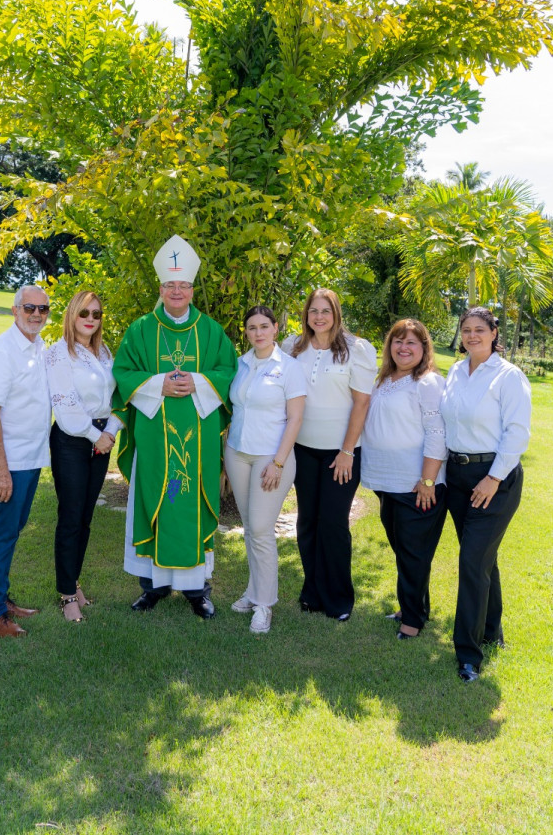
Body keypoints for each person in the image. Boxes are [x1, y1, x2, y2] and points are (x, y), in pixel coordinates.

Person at [113, 235, 238, 618]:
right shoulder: (140, 330)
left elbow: (229, 370)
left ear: (192, 288)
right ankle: (152, 588)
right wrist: (158, 384)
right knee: (155, 502)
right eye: (170, 285)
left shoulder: (212, 331)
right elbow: (123, 372)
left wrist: (198, 381)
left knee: (192, 504)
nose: (177, 291)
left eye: (183, 285)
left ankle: (197, 591)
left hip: (196, 439)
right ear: (161, 288)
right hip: (153, 441)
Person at [440, 307, 531, 682]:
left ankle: (468, 654)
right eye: (466, 330)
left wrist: (493, 478)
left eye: (480, 329)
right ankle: (493, 632)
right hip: (458, 476)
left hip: (495, 479)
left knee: (472, 561)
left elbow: (517, 432)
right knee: (482, 561)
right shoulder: (455, 371)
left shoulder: (508, 377)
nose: (472, 335)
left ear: (494, 333)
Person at [284, 288, 377, 621]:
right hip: (303, 449)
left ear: (337, 313)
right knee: (308, 520)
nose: (319, 317)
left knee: (334, 523)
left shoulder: (357, 349)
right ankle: (312, 591)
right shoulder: (292, 347)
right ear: (306, 314)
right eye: (313, 311)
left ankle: (339, 599)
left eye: (326, 310)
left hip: (343, 453)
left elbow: (362, 403)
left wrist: (347, 450)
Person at [361, 319, 447, 641]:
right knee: (404, 550)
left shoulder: (427, 382)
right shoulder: (384, 379)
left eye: (412, 342)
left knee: (413, 553)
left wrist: (427, 481)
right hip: (388, 482)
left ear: (424, 348)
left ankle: (411, 620)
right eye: (398, 341)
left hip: (417, 485)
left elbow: (438, 433)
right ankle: (414, 606)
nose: (404, 348)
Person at [225, 306, 306, 634]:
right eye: (251, 328)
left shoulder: (289, 367)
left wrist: (277, 462)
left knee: (260, 529)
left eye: (264, 327)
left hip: (270, 459)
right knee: (249, 527)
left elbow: (295, 419)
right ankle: (252, 591)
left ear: (275, 329)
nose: (258, 333)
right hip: (237, 454)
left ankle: (264, 605)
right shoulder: (242, 364)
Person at [0, 284, 51, 637]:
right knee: (1, 534)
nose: (37, 314)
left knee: (12, 531)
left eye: (43, 309)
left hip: (31, 458)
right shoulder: (1, 352)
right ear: (15, 310)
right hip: (9, 463)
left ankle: (2, 598)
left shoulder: (40, 348)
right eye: (29, 308)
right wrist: (1, 471)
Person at [45, 290, 121, 623]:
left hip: (102, 439)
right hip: (73, 441)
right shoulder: (59, 354)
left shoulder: (104, 352)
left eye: (97, 314)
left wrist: (111, 432)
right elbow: (65, 406)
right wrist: (96, 436)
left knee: (87, 516)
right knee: (71, 515)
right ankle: (65, 596)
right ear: (72, 315)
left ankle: (73, 582)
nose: (90, 319)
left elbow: (119, 397)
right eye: (84, 313)